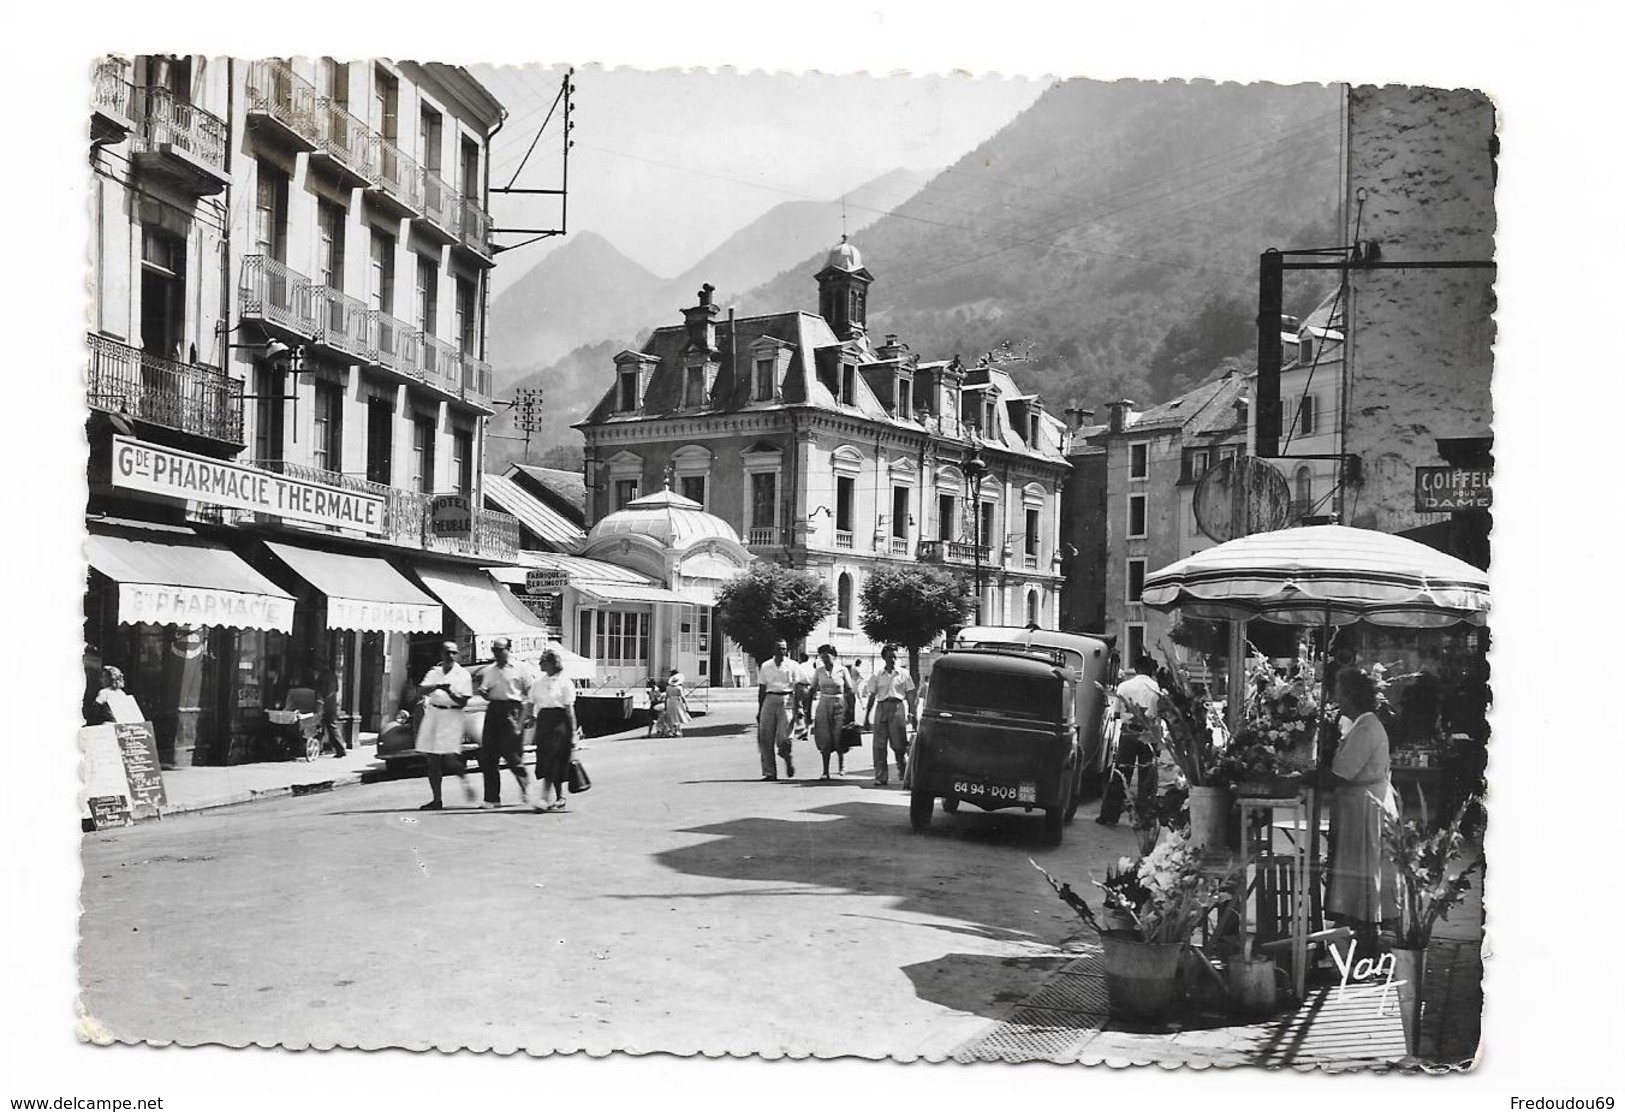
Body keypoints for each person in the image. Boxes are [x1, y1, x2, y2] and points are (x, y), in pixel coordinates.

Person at [1324, 667, 1400, 959]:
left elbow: (1342, 774)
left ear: (1351, 696)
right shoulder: (1360, 724)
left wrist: (1305, 778)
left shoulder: (1367, 728)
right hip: (1360, 806)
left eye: (1340, 692)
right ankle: (1355, 931)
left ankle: (1365, 939)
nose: (1336, 697)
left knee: (1363, 874)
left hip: (1365, 808)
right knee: (1358, 873)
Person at [1097, 654, 1163, 827]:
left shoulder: (1124, 686)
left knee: (1120, 774)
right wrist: (1157, 743)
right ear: (1151, 670)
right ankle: (1145, 818)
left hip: (1128, 733)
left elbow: (1117, 713)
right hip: (1148, 734)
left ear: (1135, 669)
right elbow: (1158, 717)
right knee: (1147, 778)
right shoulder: (1156, 689)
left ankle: (1109, 815)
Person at [414, 640, 475, 810]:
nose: (450, 656)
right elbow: (420, 690)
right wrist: (438, 686)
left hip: (452, 715)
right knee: (432, 759)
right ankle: (437, 799)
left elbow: (463, 701)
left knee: (450, 757)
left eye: (454, 653)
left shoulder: (463, 675)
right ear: (441, 653)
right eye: (447, 652)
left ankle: (465, 782)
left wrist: (451, 692)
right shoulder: (435, 672)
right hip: (434, 713)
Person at [476, 637, 536, 808]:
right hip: (494, 710)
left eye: (500, 649)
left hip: (513, 710)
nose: (497, 653)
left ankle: (526, 787)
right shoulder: (490, 670)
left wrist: (528, 715)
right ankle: (492, 798)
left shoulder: (520, 668)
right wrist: (483, 692)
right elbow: (486, 690)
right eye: (494, 650)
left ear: (509, 650)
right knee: (488, 756)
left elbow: (530, 691)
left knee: (512, 754)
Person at [526, 648, 578, 812]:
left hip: (559, 724)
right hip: (543, 724)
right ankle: (559, 797)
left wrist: (573, 733)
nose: (540, 664)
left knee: (553, 760)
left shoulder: (565, 682)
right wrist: (529, 719)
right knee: (545, 760)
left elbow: (569, 710)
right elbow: (531, 703)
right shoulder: (538, 683)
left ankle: (545, 798)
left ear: (551, 663)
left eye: (543, 661)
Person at [862, 644, 917, 787]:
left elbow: (910, 695)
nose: (892, 660)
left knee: (899, 744)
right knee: (879, 745)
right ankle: (881, 776)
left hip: (897, 707)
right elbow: (872, 696)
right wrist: (867, 716)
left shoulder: (903, 674)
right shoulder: (877, 675)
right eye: (889, 657)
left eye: (894, 656)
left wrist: (912, 713)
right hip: (881, 708)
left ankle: (903, 771)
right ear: (883, 658)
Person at [756, 639, 805, 781]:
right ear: (774, 650)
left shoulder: (793, 665)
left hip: (787, 699)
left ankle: (787, 757)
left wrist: (799, 706)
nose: (782, 651)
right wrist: (760, 710)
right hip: (769, 699)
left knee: (785, 737)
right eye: (779, 648)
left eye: (784, 648)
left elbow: (800, 686)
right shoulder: (766, 666)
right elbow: (762, 688)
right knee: (765, 737)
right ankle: (769, 772)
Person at [808, 644, 854, 780]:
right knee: (824, 737)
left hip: (839, 703)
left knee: (839, 735)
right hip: (824, 703)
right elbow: (812, 689)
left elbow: (849, 690)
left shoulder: (843, 670)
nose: (825, 660)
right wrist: (807, 709)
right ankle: (825, 771)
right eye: (822, 657)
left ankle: (841, 764)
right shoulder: (819, 671)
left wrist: (851, 711)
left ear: (834, 655)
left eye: (827, 656)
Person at [317, 671, 347, 758]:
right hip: (331, 705)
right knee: (330, 727)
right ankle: (337, 749)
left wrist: (322, 702)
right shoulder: (332, 676)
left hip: (326, 706)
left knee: (329, 727)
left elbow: (323, 691)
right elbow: (336, 689)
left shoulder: (323, 676)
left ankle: (340, 749)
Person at [656, 668, 691, 737]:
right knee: (677, 716)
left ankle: (672, 730)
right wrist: (686, 705)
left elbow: (666, 697)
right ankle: (677, 730)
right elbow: (682, 697)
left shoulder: (668, 688)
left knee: (671, 716)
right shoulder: (679, 688)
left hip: (669, 702)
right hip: (677, 702)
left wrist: (666, 705)